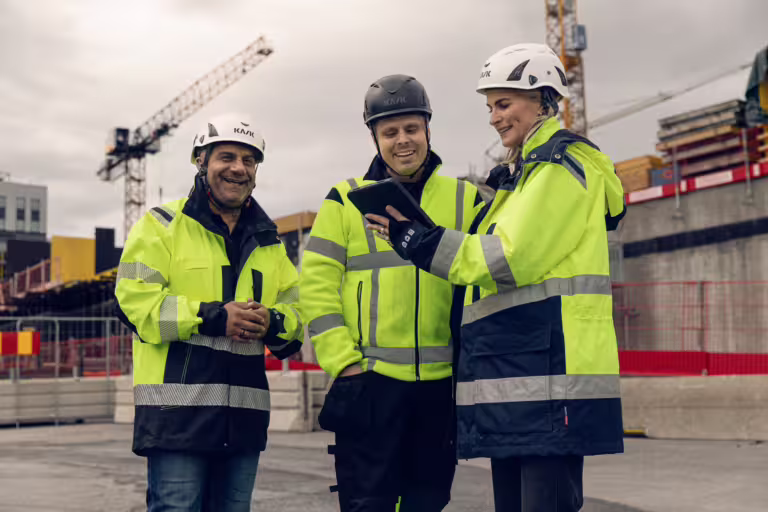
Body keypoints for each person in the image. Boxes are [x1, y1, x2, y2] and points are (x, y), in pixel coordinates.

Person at [366, 44, 626, 512]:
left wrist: (417, 241)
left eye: (503, 104)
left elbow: (507, 260)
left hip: (550, 377)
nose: (493, 117)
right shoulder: (522, 177)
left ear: (544, 100)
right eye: (490, 107)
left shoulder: (560, 167)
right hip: (523, 376)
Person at [299, 74, 484, 512]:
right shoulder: (346, 199)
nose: (403, 141)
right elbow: (317, 287)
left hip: (440, 389)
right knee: (368, 504)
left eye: (411, 129)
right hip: (370, 384)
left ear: (427, 129)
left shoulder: (467, 199)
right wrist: (344, 364)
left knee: (429, 500)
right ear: (374, 137)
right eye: (390, 132)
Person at [115, 113, 303, 512]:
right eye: (226, 157)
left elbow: (299, 313)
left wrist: (274, 322)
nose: (238, 168)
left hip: (244, 422)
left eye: (249, 160)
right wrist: (214, 317)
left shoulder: (269, 244)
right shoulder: (161, 226)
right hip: (176, 419)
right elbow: (134, 304)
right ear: (201, 162)